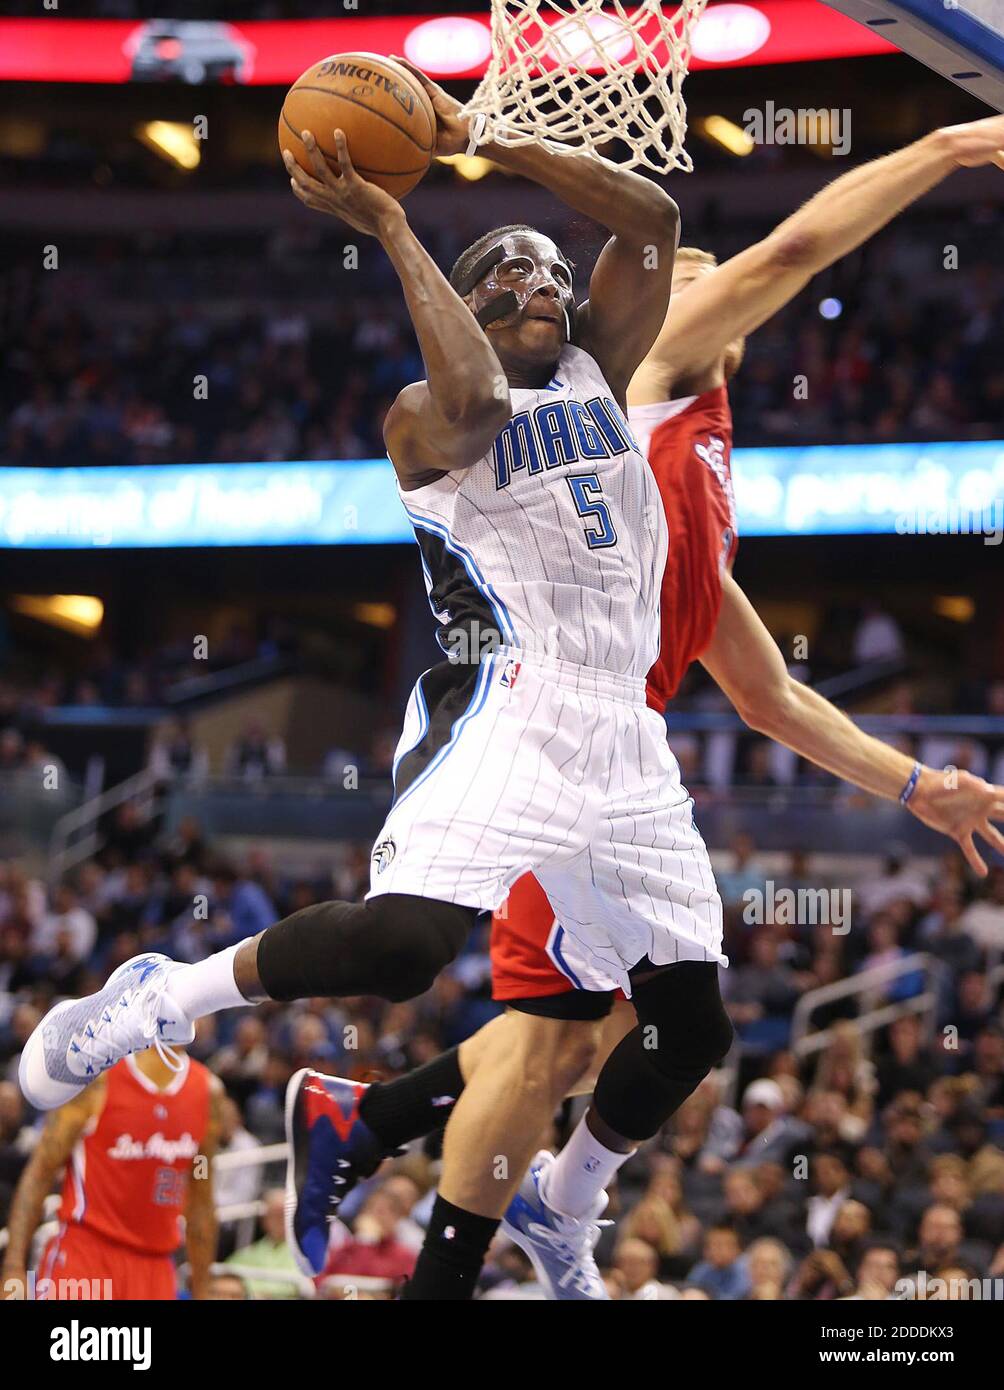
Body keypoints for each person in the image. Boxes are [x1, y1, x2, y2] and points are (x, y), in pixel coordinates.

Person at [285, 108, 1004, 1299]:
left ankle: (374, 1128)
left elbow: (767, 695)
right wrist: (944, 151)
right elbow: (787, 255)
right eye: (678, 267)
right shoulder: (650, 371)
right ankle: (452, 1221)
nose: (698, 272)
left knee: (603, 1040)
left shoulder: (691, 483)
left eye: (696, 264)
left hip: (619, 758)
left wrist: (917, 786)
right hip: (544, 735)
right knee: (545, 1049)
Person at [2, 1047, 220, 1300]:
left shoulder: (207, 1092)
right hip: (87, 1253)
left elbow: (201, 1193)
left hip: (156, 1266)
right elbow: (41, 1172)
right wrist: (13, 1267)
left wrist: (203, 1290)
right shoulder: (98, 1078)